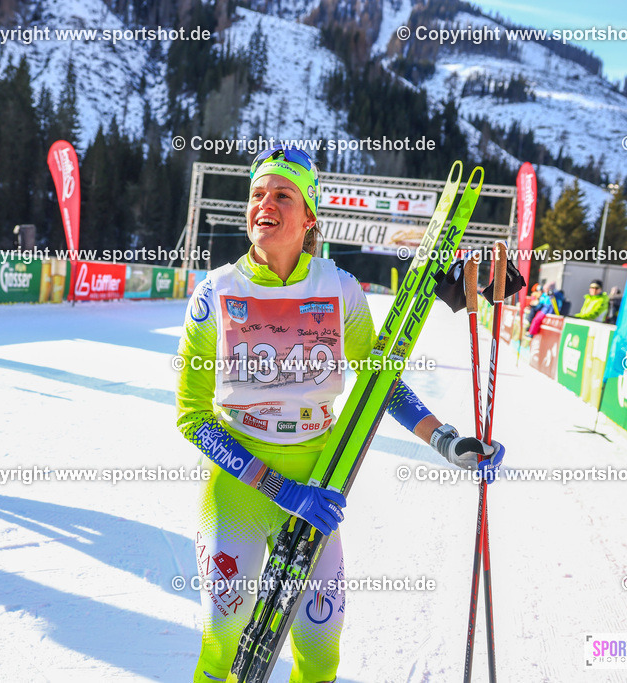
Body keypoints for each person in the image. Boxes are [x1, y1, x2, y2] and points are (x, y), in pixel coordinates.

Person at [176, 147, 504, 683]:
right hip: (237, 487)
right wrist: (277, 488)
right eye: (258, 193)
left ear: (308, 217)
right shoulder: (214, 294)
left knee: (321, 653)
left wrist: (446, 441)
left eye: (283, 195)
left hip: (321, 481)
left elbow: (380, 386)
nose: (266, 204)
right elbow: (192, 417)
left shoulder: (339, 289)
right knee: (222, 644)